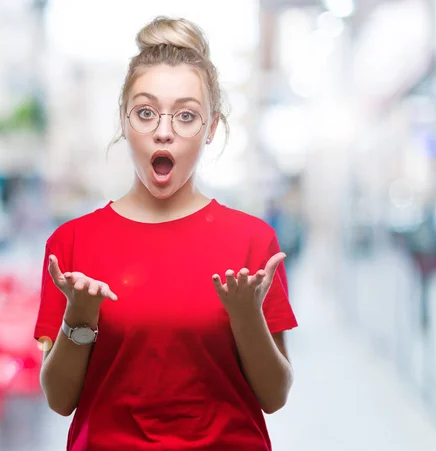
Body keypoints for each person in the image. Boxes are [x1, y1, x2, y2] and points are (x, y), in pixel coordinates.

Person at [34, 16, 298, 451]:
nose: (164, 130)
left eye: (187, 116)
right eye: (145, 112)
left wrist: (246, 315)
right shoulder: (71, 244)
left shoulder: (254, 242)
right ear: (124, 121)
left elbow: (275, 396)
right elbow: (60, 400)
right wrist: (79, 316)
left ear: (212, 127)